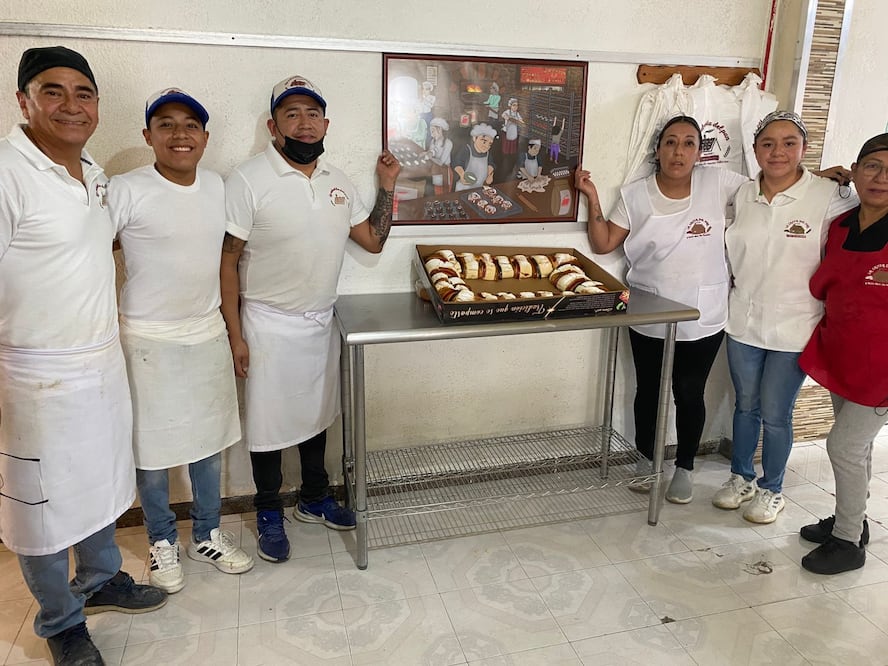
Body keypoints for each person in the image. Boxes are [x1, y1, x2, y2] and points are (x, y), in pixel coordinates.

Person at [0, 46, 166, 665]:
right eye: (53, 91)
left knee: (99, 484)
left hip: (99, 359)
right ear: (24, 101)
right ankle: (61, 622)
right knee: (39, 506)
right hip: (35, 372)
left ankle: (100, 580)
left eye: (84, 93)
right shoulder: (8, 173)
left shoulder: (91, 172)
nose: (71, 106)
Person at [221, 74, 400, 563]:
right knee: (268, 424)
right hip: (266, 322)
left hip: (320, 321)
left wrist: (388, 186)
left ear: (326, 123)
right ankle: (267, 509)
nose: (304, 123)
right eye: (292, 114)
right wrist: (234, 333)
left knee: (317, 415)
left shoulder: (337, 181)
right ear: (273, 124)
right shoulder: (247, 179)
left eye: (312, 114)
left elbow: (373, 240)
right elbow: (227, 260)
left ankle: (314, 498)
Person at [107, 87, 254, 593]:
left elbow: (226, 264)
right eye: (165, 124)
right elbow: (87, 253)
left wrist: (235, 335)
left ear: (206, 137)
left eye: (190, 125)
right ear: (148, 135)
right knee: (151, 450)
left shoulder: (219, 187)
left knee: (208, 442)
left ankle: (207, 533)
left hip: (207, 331)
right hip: (145, 339)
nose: (179, 134)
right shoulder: (125, 188)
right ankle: (162, 539)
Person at [575, 115, 748, 504]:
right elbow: (603, 244)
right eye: (671, 142)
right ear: (658, 149)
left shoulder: (719, 183)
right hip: (648, 310)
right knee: (649, 390)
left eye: (689, 143)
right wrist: (592, 196)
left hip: (703, 312)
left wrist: (818, 179)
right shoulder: (635, 194)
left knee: (689, 391)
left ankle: (683, 467)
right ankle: (646, 460)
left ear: (699, 152)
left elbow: (770, 187)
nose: (679, 151)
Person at [712, 111, 858, 523]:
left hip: (796, 326)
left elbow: (870, 209)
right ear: (755, 149)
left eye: (789, 143)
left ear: (804, 149)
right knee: (745, 406)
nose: (777, 152)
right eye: (768, 143)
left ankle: (771, 489)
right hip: (742, 321)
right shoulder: (743, 195)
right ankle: (740, 477)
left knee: (777, 413)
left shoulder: (828, 195)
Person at [797, 133, 888, 574]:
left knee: (844, 449)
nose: (881, 178)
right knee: (860, 449)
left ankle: (848, 542)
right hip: (843, 354)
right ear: (854, 170)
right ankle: (855, 519)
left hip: (883, 371)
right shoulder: (841, 225)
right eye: (872, 166)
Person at [453, 122, 496, 191]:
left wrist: (489, 175)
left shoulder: (488, 154)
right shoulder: (466, 150)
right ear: (474, 138)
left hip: (480, 188)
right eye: (484, 142)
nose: (487, 146)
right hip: (464, 188)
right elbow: (457, 163)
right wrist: (462, 175)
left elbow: (491, 164)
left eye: (490, 144)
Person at [425, 116, 453, 194]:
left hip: (445, 171)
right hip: (435, 170)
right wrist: (426, 153)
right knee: (437, 193)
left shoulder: (448, 143)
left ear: (440, 129)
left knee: (445, 194)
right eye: (431, 131)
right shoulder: (433, 141)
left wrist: (430, 157)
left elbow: (441, 162)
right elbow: (431, 152)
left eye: (433, 131)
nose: (431, 134)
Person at [500, 97, 524, 177]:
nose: (515, 107)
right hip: (506, 131)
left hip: (514, 131)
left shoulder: (517, 114)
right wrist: (509, 118)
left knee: (513, 144)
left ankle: (512, 155)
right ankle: (506, 155)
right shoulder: (507, 112)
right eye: (514, 105)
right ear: (510, 106)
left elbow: (521, 120)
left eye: (516, 106)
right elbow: (504, 115)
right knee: (507, 144)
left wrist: (521, 122)